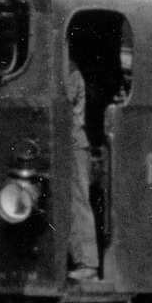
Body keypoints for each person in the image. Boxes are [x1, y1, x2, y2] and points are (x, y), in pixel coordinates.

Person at [66, 64, 101, 282]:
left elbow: (60, 100)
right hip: (65, 140)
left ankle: (88, 263)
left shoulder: (68, 71)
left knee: (77, 199)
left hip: (72, 142)